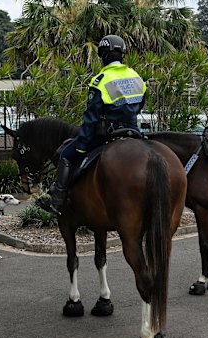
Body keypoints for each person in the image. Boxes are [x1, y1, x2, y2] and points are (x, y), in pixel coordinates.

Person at [36, 34, 146, 215]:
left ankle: (57, 201)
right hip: (133, 131)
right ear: (122, 54)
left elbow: (92, 116)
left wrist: (81, 145)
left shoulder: (101, 79)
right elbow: (139, 105)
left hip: (108, 133)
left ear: (102, 56)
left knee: (65, 155)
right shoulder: (136, 77)